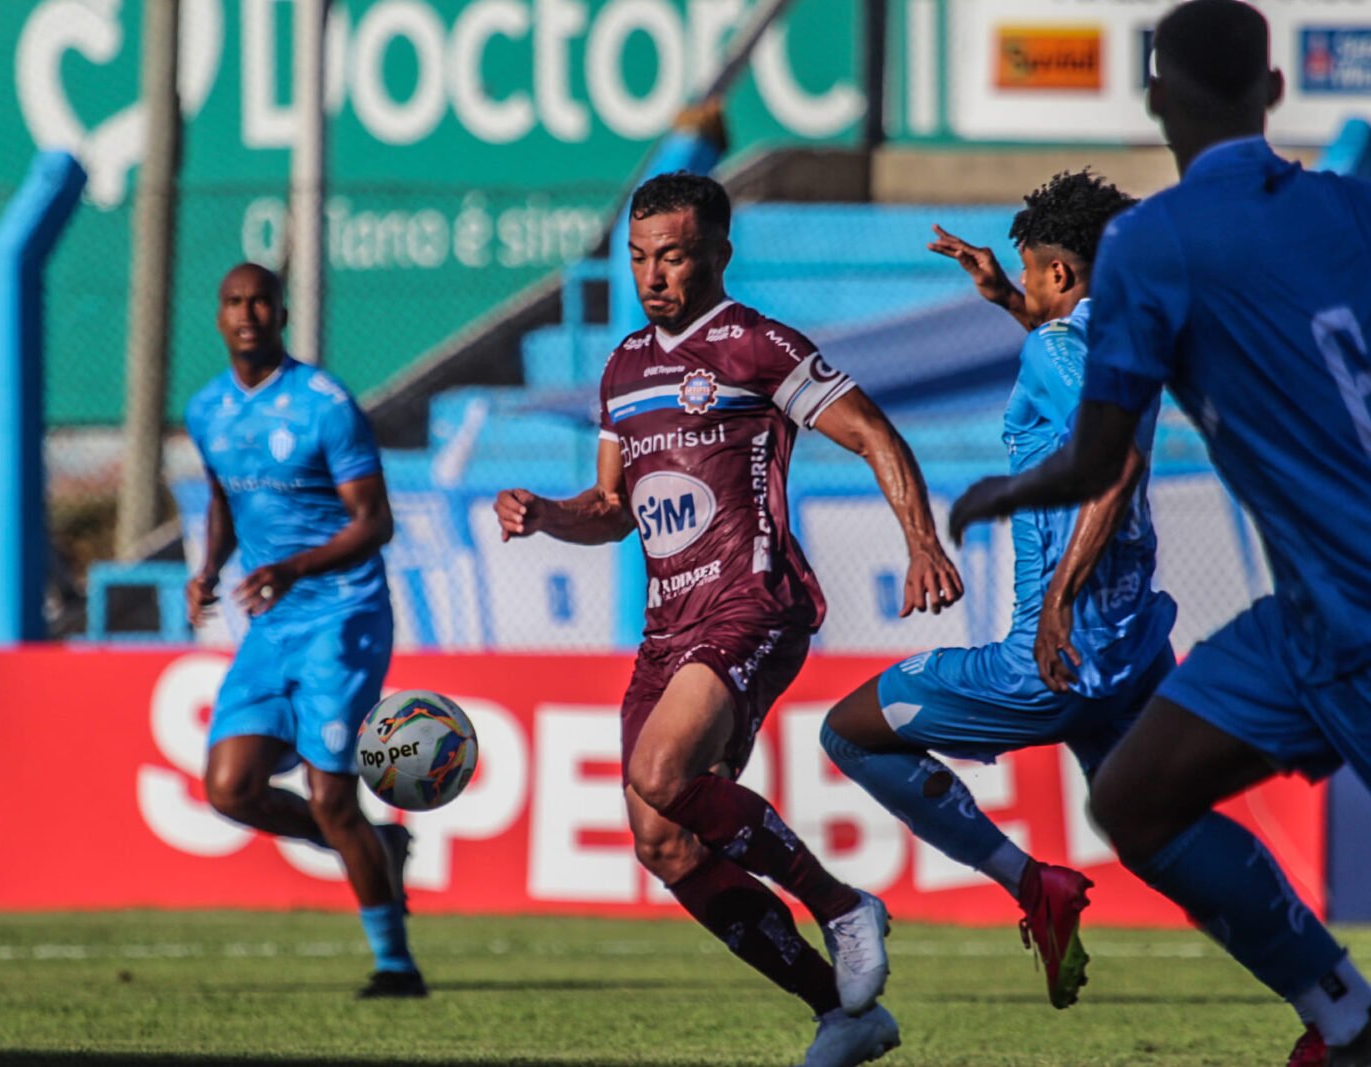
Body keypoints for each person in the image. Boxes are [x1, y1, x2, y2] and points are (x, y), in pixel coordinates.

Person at [947, 3, 1371, 1063]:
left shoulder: (1149, 242)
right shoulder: (1346, 205)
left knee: (1135, 802)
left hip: (1354, 598)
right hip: (1305, 618)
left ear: (1151, 101)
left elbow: (1097, 457)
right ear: (1274, 94)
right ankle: (1345, 1015)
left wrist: (993, 499)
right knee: (1133, 790)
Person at [495, 173, 963, 1067]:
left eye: (671, 256)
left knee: (661, 768)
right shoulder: (624, 366)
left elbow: (872, 431)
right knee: (662, 840)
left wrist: (921, 543)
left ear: (717, 253)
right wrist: (549, 513)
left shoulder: (755, 343)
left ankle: (841, 905)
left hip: (753, 599)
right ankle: (843, 1014)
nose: (652, 276)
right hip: (666, 626)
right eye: (638, 258)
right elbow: (612, 504)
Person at [821, 171, 1176, 1011]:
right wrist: (1003, 299)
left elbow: (1115, 463)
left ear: (1060, 274)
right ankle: (1330, 996)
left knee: (849, 733)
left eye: (1030, 274)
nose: (1024, 286)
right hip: (1132, 649)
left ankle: (1029, 882)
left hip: (1049, 659)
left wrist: (1054, 605)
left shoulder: (1054, 347)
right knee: (1172, 838)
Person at [184, 263, 422, 999]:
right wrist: (209, 563)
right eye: (233, 301)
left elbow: (374, 521)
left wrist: (293, 567)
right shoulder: (207, 409)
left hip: (342, 614)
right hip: (270, 622)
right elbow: (227, 498)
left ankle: (395, 963)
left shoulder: (324, 404)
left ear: (281, 311)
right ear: (218, 316)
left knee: (330, 795)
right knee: (230, 787)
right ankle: (378, 846)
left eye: (260, 300)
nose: (247, 312)